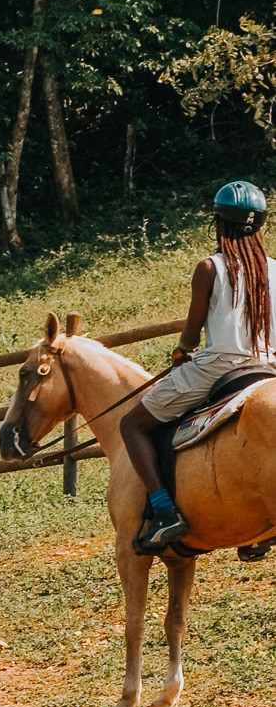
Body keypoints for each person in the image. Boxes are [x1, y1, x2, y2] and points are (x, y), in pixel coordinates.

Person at [122, 181, 276, 554]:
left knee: (132, 424)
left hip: (220, 367)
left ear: (219, 223)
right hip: (269, 367)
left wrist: (181, 351)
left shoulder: (210, 268)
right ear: (260, 225)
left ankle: (163, 511)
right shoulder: (275, 270)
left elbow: (192, 333)